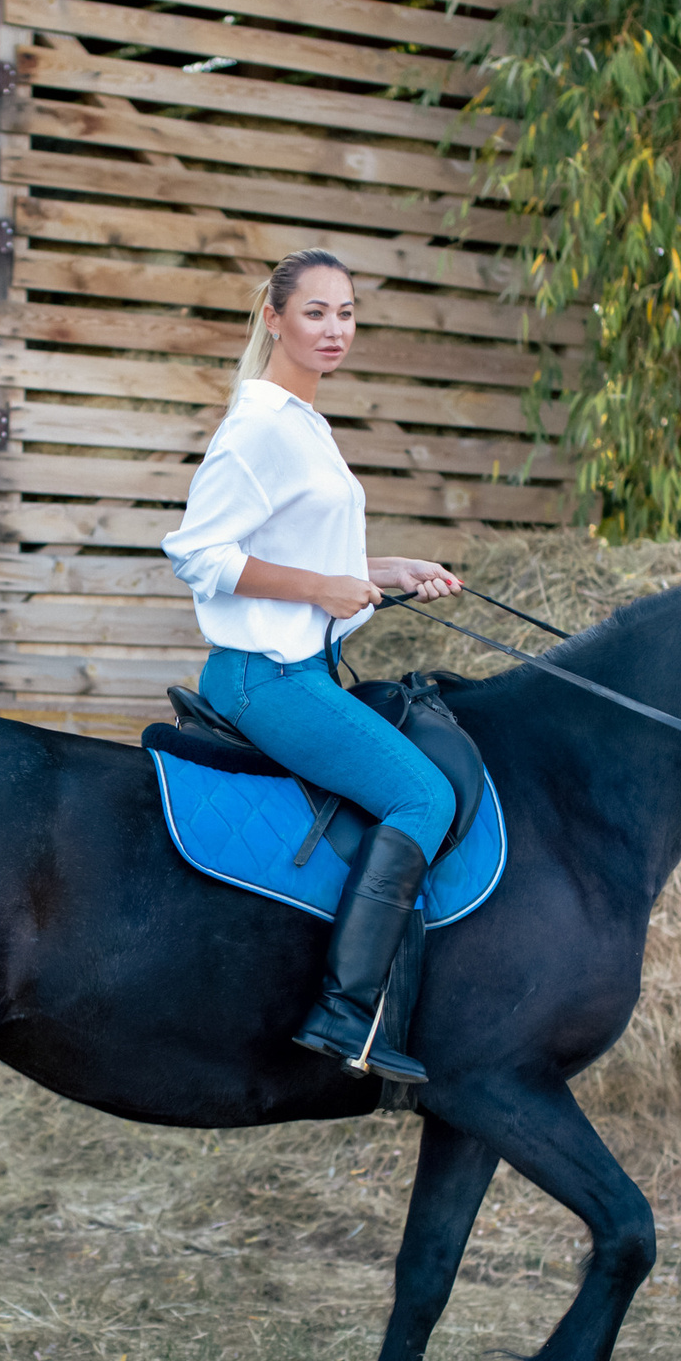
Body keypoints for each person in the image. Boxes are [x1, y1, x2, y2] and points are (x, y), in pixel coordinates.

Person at [160, 248, 465, 1085]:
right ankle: (345, 1012)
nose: (335, 330)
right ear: (274, 320)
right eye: (316, 313)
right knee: (423, 794)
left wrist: (389, 570)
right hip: (265, 676)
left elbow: (311, 550)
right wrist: (317, 587)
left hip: (302, 669)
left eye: (347, 313)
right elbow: (199, 555)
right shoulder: (257, 426)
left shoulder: (305, 423)